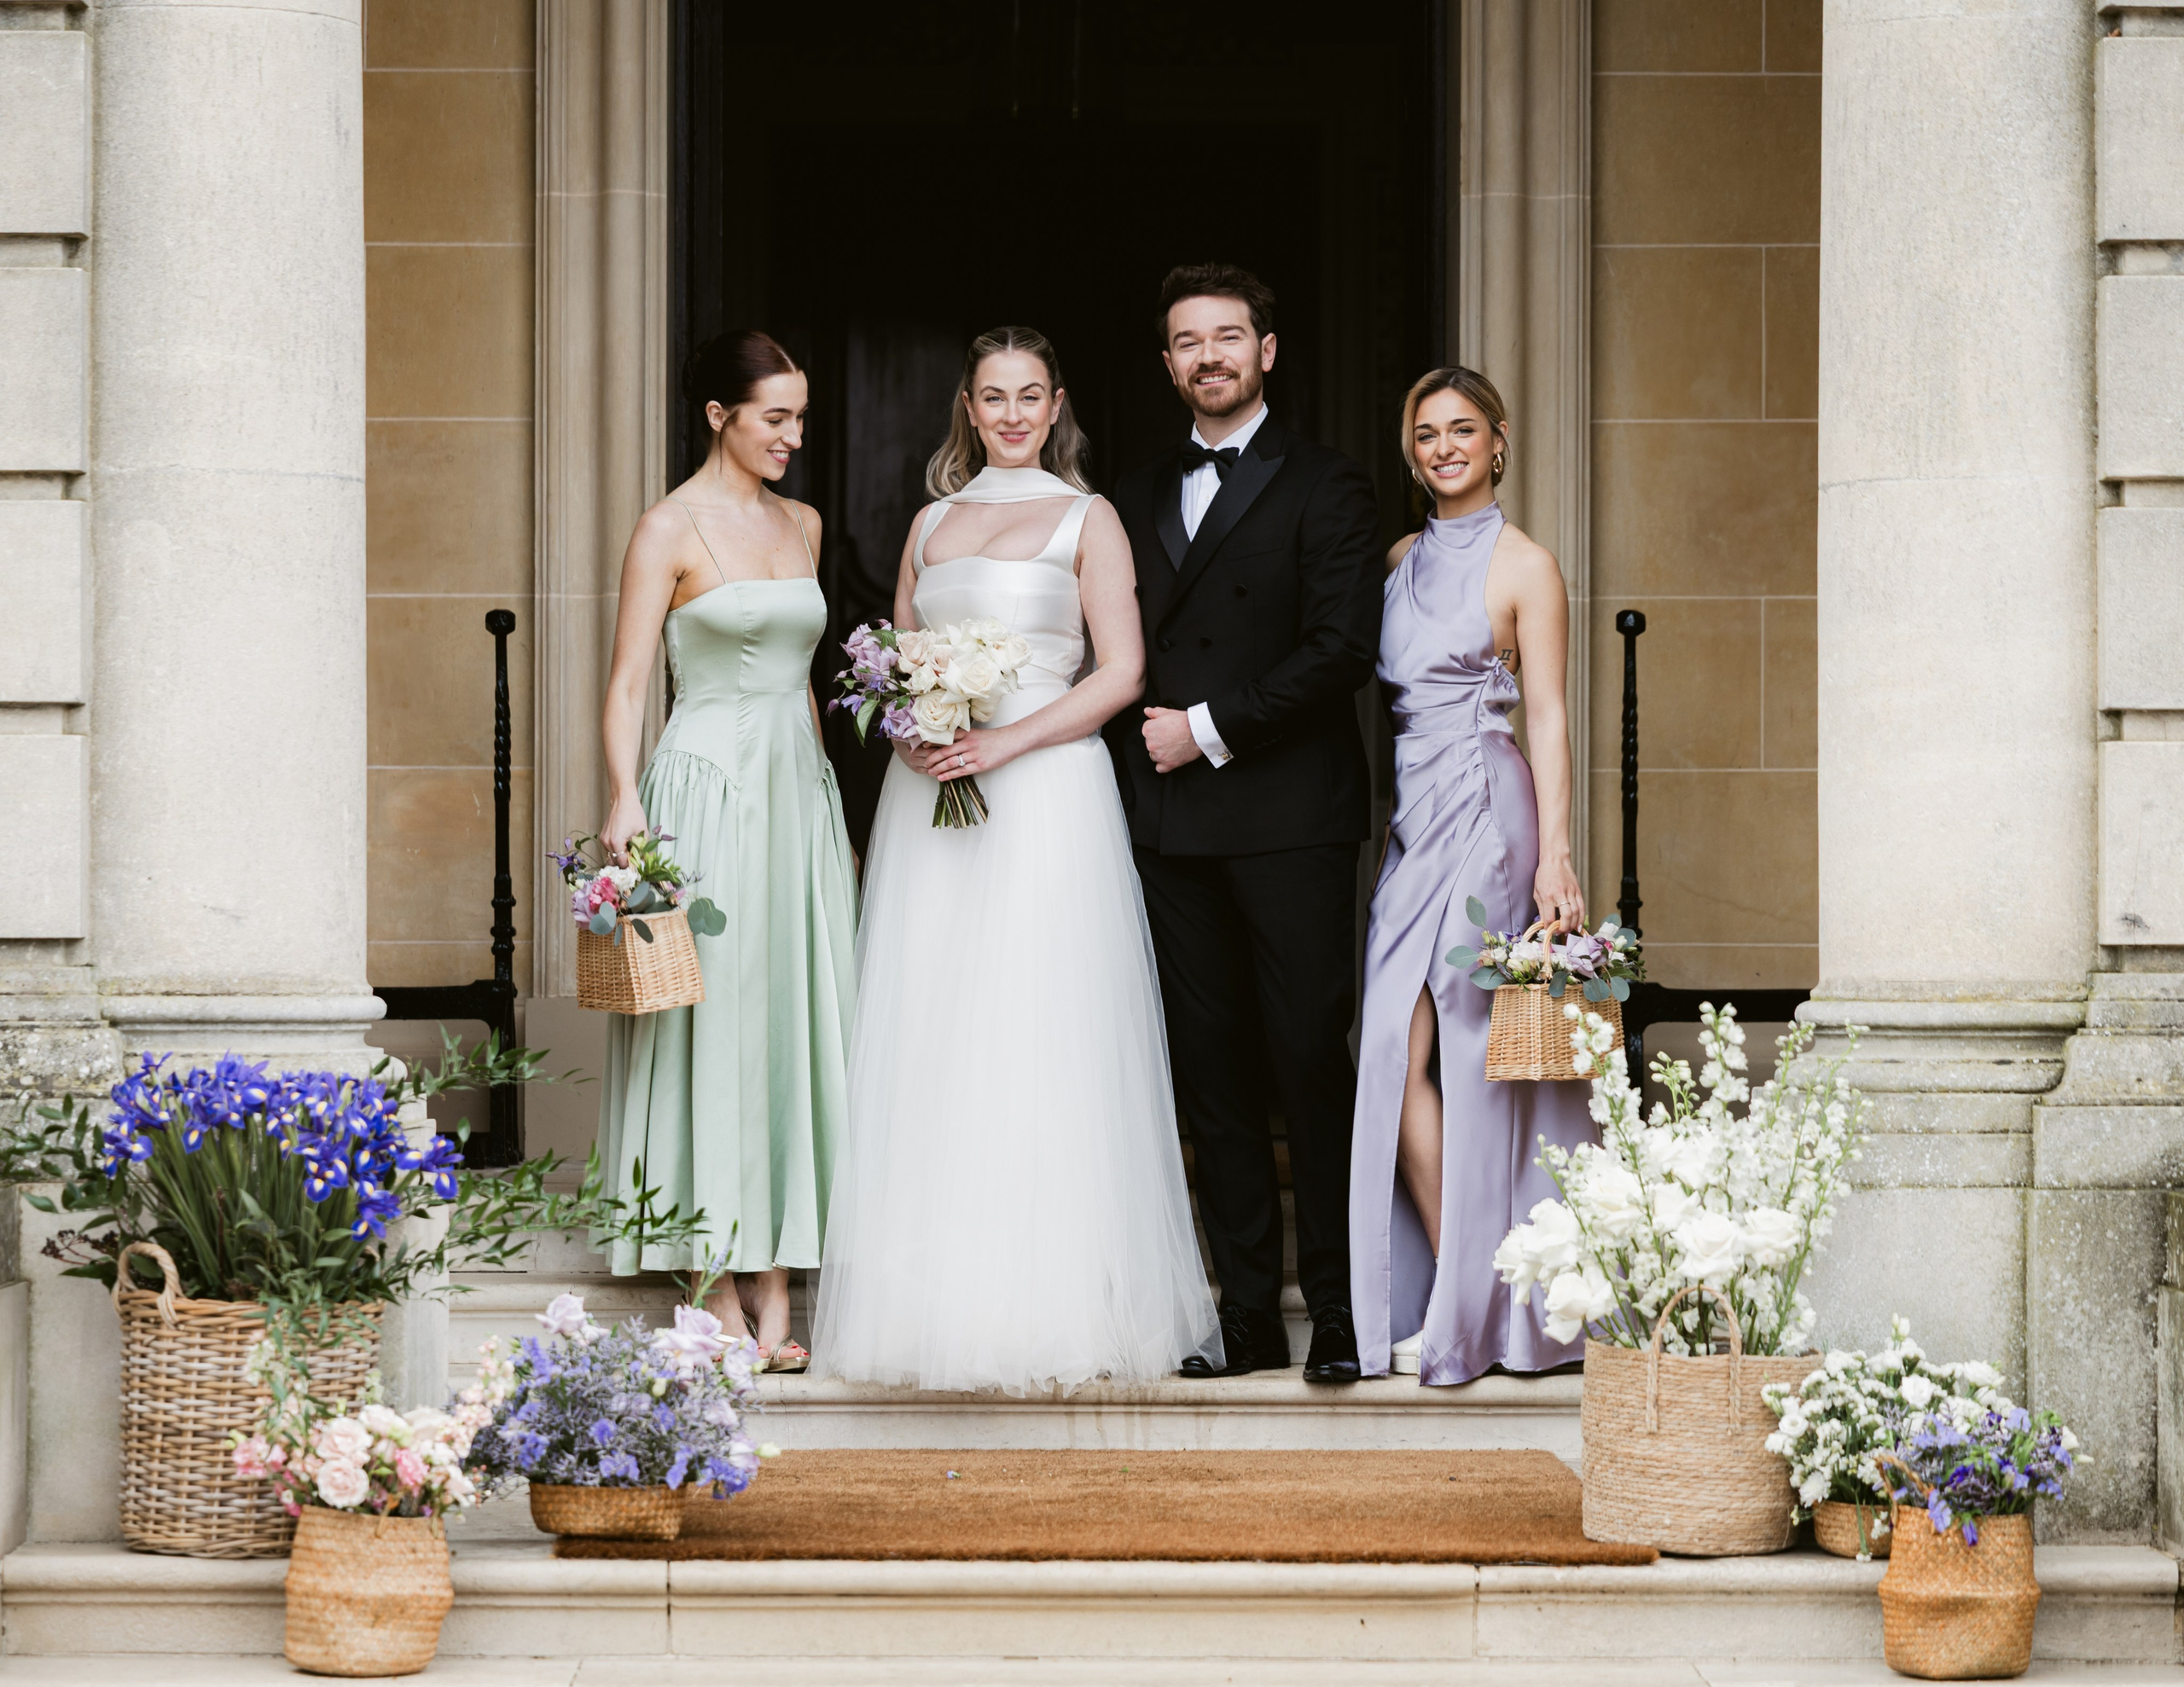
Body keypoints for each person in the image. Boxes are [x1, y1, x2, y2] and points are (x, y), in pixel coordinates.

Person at [810, 327, 1220, 1394]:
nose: (1010, 413)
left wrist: (1005, 738)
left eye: (1028, 395)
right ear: (967, 405)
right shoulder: (931, 524)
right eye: (992, 396)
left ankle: (1059, 1300)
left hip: (1043, 789)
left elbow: (1122, 671)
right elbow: (892, 659)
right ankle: (925, 1300)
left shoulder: (1092, 518)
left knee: (1040, 1023)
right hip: (932, 794)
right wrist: (908, 730)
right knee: (933, 1024)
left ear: (1056, 404)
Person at [1107, 264, 1382, 1386]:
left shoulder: (1331, 484)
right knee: (1209, 1075)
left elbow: (1340, 652)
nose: (1209, 355)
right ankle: (1250, 1323)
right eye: (1187, 340)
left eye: (1229, 335)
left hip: (1287, 819)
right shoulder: (1126, 493)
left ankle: (1342, 1314)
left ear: (1268, 351)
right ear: (1168, 363)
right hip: (1171, 826)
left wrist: (1209, 727)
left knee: (1309, 1062)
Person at [594, 330, 857, 1374]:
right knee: (715, 1015)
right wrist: (625, 799)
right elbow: (625, 684)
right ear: (720, 416)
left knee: (788, 1010)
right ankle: (710, 1271)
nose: (794, 434)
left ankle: (780, 1269)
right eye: (775, 416)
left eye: (800, 414)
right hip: (700, 786)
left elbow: (798, 681)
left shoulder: (804, 522)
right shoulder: (666, 527)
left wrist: (828, 804)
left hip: (795, 788)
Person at [1349, 366, 1597, 1386]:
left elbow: (1545, 716)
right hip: (1412, 821)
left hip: (1486, 814)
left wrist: (1558, 856)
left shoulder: (1527, 566)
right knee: (1384, 1050)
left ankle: (1475, 1304)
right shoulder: (1402, 557)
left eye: (1461, 430)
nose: (1442, 446)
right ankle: (1471, 1281)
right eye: (1424, 432)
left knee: (1464, 1044)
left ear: (1498, 442)